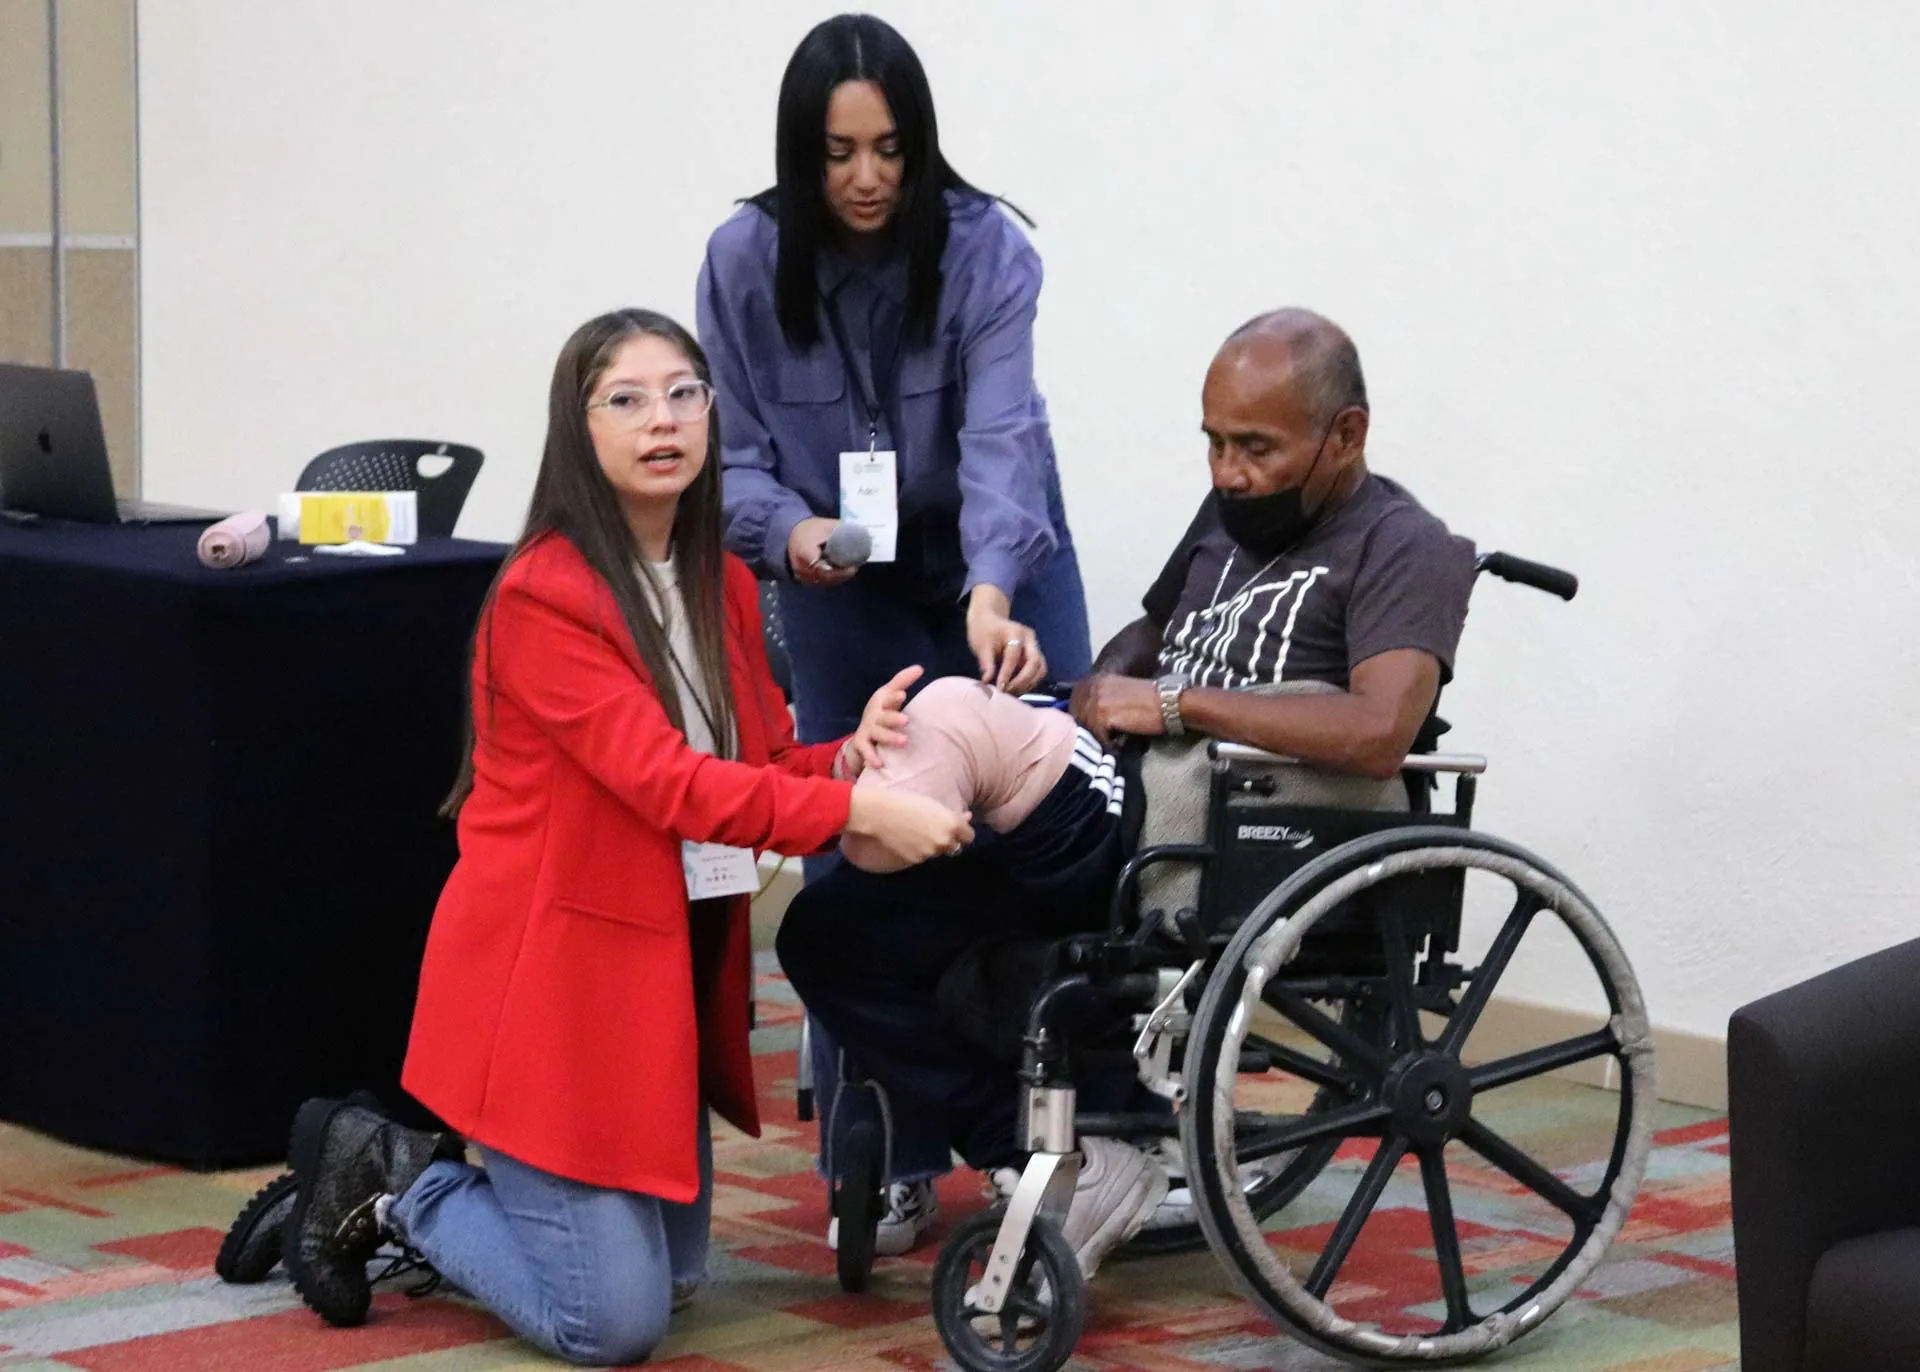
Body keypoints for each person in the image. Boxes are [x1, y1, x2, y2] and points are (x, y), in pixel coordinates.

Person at [275, 308, 973, 1367]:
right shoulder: (544, 595)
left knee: (678, 1279)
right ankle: (397, 1174)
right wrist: (858, 813)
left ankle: (468, 1196)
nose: (664, 419)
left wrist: (842, 761)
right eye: (628, 399)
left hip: (656, 980)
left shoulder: (724, 583)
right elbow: (670, 786)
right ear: (579, 428)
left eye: (685, 393)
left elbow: (750, 762)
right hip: (550, 989)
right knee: (611, 1322)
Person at [776, 306, 1480, 1276]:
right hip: (1118, 798)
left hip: (1200, 828)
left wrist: (1177, 704)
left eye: (1256, 448)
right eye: (1215, 443)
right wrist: (1091, 693)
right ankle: (1045, 1150)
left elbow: (1378, 730)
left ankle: (879, 788)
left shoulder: (1406, 546)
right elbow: (1144, 641)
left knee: (946, 716)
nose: (1228, 471)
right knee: (830, 930)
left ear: (1345, 434)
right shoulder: (1228, 516)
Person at [697, 12, 1094, 1254]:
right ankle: (897, 1151)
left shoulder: (987, 251)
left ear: (922, 148)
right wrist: (789, 536)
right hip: (840, 578)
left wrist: (991, 590)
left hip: (999, 555)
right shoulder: (742, 260)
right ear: (800, 157)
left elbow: (1002, 437)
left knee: (1055, 834)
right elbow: (737, 459)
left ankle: (1087, 1135)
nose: (867, 179)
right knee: (857, 838)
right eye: (837, 153)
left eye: (889, 150)